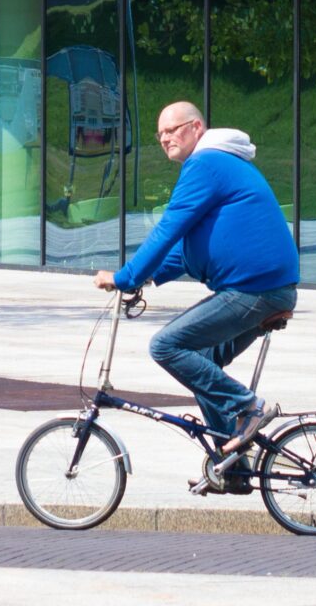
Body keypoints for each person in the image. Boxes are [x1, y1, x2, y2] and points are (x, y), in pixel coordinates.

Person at [94, 101, 299, 484]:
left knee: (166, 346)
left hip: (254, 290)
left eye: (172, 130)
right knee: (202, 362)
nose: (165, 138)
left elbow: (169, 228)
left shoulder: (206, 164)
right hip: (264, 289)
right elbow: (189, 251)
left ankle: (248, 407)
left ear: (196, 127)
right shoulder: (219, 164)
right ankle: (233, 466)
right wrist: (147, 279)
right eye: (159, 134)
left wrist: (125, 276)